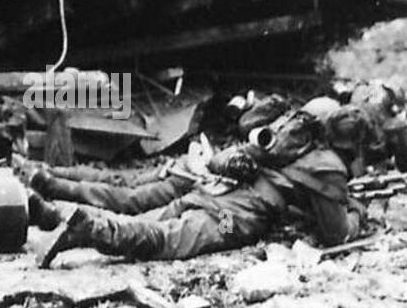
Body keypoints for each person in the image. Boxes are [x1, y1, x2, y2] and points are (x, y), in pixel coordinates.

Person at [36, 109, 364, 268]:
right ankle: (90, 227)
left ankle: (61, 216)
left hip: (211, 191)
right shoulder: (328, 166)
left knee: (147, 218)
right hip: (231, 217)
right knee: (163, 239)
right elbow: (337, 234)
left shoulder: (296, 140)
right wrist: (355, 212)